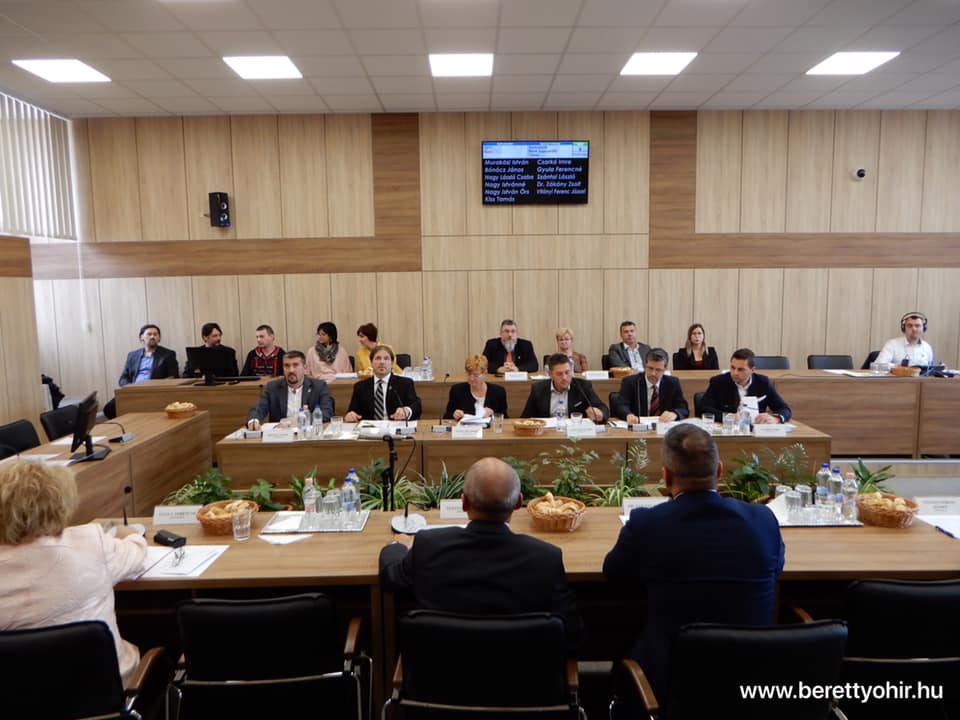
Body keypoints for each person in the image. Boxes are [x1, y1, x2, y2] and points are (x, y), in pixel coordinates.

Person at [603, 424, 784, 700]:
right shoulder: (762, 520)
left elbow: (614, 573)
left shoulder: (647, 524)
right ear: (719, 471)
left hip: (671, 683)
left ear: (666, 476)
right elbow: (776, 568)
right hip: (754, 680)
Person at [379, 457, 580, 647]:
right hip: (524, 671)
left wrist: (398, 546)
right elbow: (572, 633)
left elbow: (390, 578)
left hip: (441, 670)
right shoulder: (546, 558)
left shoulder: (428, 546)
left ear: (464, 503)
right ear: (518, 503)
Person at [0, 461, 148, 683]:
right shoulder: (92, 542)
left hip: (17, 697)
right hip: (109, 691)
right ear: (60, 504)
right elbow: (136, 556)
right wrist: (129, 534)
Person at [105, 323, 179, 418]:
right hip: (132, 391)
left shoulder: (168, 354)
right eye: (149, 334)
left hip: (153, 392)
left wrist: (156, 386)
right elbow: (124, 377)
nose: (152, 337)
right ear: (141, 337)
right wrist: (130, 387)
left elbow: (173, 376)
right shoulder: (132, 355)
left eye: (155, 334)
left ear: (159, 338)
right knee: (109, 408)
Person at [699, 348, 791, 423]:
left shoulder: (763, 382)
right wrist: (728, 416)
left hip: (756, 431)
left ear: (752, 370)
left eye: (740, 369)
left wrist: (776, 418)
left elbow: (784, 408)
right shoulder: (718, 382)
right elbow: (704, 408)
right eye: (732, 368)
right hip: (728, 429)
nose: (735, 373)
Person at [246, 350, 333, 430]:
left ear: (305, 368)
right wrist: (254, 420)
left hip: (307, 435)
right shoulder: (272, 387)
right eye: (287, 366)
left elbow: (327, 413)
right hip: (281, 436)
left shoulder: (318, 386)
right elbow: (259, 408)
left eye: (295, 365)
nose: (291, 370)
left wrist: (299, 421)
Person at [521, 353, 609, 423]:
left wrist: (600, 413)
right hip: (547, 434)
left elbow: (602, 407)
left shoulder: (582, 386)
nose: (564, 377)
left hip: (575, 432)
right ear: (550, 374)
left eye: (567, 372)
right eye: (559, 374)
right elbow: (525, 418)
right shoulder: (538, 389)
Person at [344, 345, 421, 422]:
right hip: (370, 428)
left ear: (392, 363)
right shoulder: (360, 387)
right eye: (378, 358)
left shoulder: (405, 384)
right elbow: (352, 411)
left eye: (386, 358)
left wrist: (407, 410)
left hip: (395, 426)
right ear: (371, 363)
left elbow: (416, 407)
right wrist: (350, 415)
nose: (382, 362)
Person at [612, 348, 689, 423]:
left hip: (663, 426)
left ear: (665, 369)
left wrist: (675, 413)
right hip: (639, 426)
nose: (653, 373)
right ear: (645, 365)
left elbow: (683, 408)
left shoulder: (672, 383)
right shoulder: (631, 382)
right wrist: (628, 415)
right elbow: (621, 406)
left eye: (658, 370)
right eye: (650, 368)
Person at [443, 354, 508, 420]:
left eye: (475, 375)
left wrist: (493, 414)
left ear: (485, 373)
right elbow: (447, 416)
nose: (471, 378)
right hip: (466, 426)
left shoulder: (498, 392)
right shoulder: (457, 390)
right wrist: (454, 414)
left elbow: (505, 418)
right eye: (469, 374)